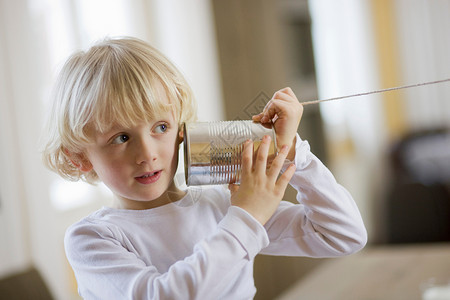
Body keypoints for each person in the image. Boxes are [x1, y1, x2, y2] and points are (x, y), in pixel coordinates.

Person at [42, 36, 367, 299]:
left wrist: (295, 152)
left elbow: (343, 235)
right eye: (121, 137)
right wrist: (246, 219)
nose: (147, 153)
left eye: (160, 128)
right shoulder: (92, 238)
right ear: (80, 158)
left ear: (181, 130)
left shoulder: (221, 205)